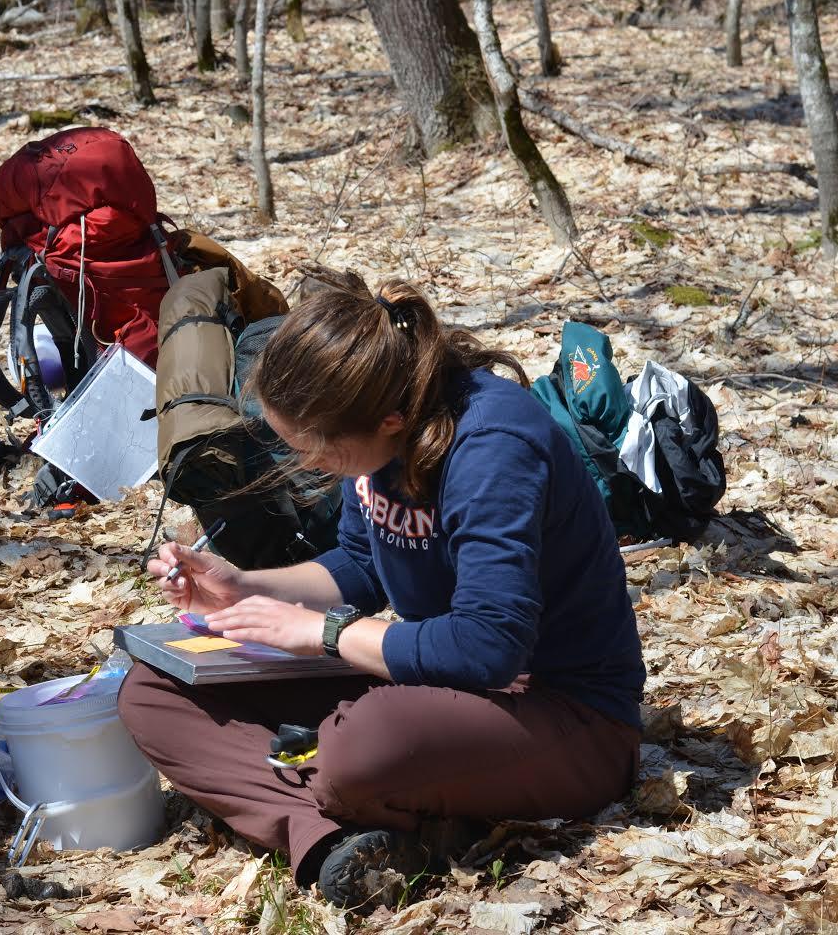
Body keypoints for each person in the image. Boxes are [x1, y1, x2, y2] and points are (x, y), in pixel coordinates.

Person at [119, 273, 646, 912]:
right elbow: (364, 567)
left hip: (563, 714)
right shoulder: (376, 429)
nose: (309, 466)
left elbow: (489, 647)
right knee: (154, 694)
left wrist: (323, 634)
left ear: (391, 419)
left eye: (316, 451)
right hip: (437, 686)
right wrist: (244, 588)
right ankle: (335, 837)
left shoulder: (493, 446)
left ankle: (341, 795)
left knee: (360, 746)